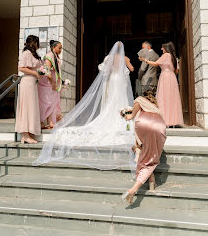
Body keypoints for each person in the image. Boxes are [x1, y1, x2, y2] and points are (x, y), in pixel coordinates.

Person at [34, 41, 136, 171]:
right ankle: (122, 118)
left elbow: (104, 71)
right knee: (120, 100)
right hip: (120, 81)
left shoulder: (109, 58)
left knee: (111, 102)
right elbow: (131, 69)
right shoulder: (125, 58)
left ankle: (109, 117)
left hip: (112, 80)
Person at [121, 88, 166, 204]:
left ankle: (133, 189)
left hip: (143, 125)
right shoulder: (156, 108)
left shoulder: (139, 100)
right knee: (150, 156)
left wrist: (124, 113)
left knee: (147, 159)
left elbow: (130, 117)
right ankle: (152, 183)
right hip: (159, 128)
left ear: (143, 95)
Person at [139, 41, 183, 127]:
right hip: (172, 78)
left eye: (162, 47)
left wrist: (145, 60)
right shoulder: (173, 57)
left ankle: (165, 120)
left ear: (166, 48)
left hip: (165, 77)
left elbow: (155, 64)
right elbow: (176, 71)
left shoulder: (165, 55)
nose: (161, 49)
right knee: (172, 99)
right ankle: (172, 121)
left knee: (164, 97)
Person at [15, 35, 42, 144]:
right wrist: (35, 73)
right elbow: (21, 68)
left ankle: (29, 134)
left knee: (31, 107)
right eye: (37, 42)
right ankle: (25, 135)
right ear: (33, 42)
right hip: (27, 83)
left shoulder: (33, 54)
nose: (38, 44)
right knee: (26, 107)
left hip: (33, 83)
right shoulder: (26, 53)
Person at [38, 40, 63, 129]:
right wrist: (52, 82)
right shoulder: (49, 56)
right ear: (53, 47)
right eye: (59, 48)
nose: (61, 50)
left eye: (61, 48)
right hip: (47, 83)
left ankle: (50, 122)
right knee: (46, 103)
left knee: (53, 103)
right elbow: (46, 71)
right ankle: (43, 122)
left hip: (53, 84)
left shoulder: (56, 57)